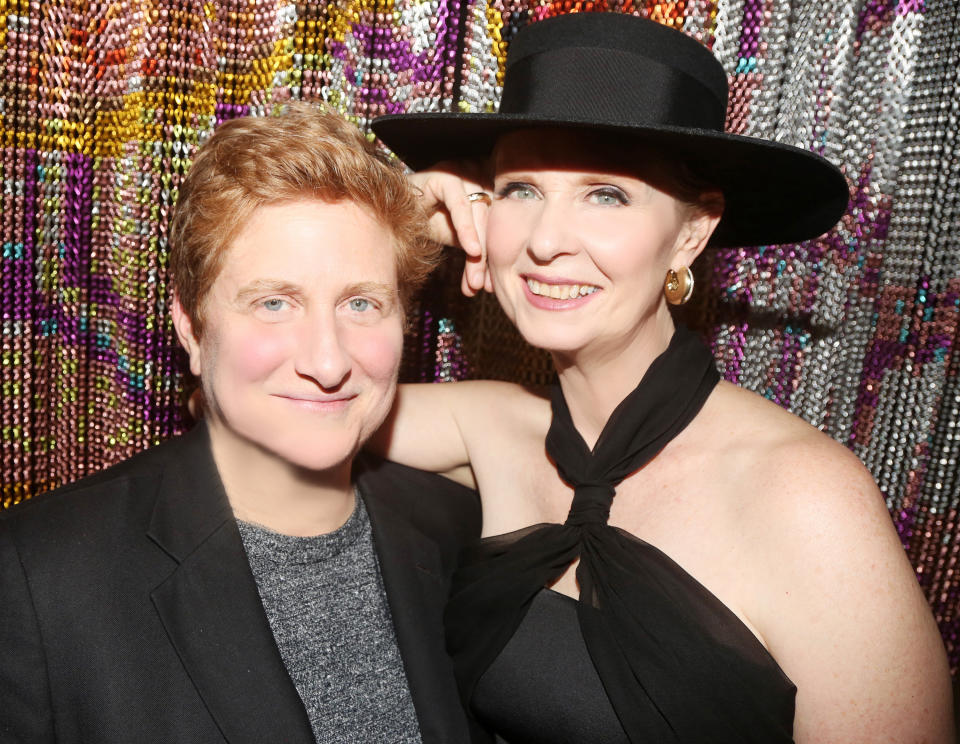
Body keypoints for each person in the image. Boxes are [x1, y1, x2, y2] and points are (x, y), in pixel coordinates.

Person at [370, 12, 956, 743]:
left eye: (606, 194)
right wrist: (389, 224)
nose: (546, 241)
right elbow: (250, 403)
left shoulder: (804, 496)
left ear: (691, 232)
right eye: (521, 189)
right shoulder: (489, 425)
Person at [0, 103, 482, 744]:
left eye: (361, 302)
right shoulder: (38, 578)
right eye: (274, 302)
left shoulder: (458, 534)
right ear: (192, 326)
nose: (328, 360)